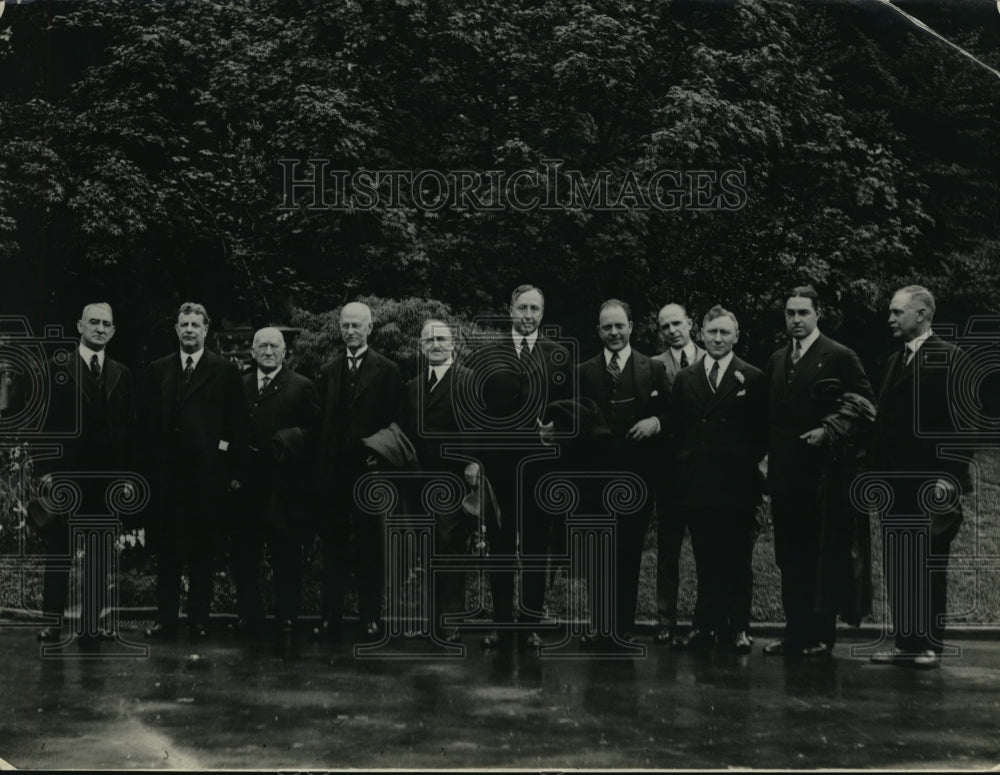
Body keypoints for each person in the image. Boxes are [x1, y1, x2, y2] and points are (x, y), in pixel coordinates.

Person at [763, 285, 875, 657]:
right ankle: (794, 632)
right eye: (790, 313)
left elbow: (864, 404)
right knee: (789, 557)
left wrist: (829, 429)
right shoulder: (778, 359)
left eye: (803, 313)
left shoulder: (840, 355)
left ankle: (821, 636)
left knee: (819, 556)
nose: (796, 320)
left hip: (824, 476)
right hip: (784, 476)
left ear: (817, 314)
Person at [868, 285, 973, 669]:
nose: (890, 318)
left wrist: (951, 477)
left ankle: (929, 646)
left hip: (931, 485)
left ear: (923, 314)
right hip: (895, 486)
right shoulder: (895, 360)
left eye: (897, 312)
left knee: (928, 565)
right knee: (900, 566)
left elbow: (963, 426)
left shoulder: (951, 358)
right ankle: (906, 643)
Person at [465, 284, 572, 650]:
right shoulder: (487, 355)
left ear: (543, 313)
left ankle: (529, 626)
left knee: (535, 550)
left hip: (540, 471)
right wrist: (475, 460)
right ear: (510, 309)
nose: (528, 315)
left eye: (535, 309)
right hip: (498, 470)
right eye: (522, 307)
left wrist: (558, 427)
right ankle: (501, 625)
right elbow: (475, 413)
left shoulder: (557, 355)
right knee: (499, 549)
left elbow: (570, 406)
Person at [144, 302, 249, 639]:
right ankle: (166, 619)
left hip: (207, 479)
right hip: (167, 480)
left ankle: (199, 619)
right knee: (168, 555)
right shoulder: (158, 369)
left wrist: (225, 465)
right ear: (176, 329)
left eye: (195, 325)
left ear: (206, 330)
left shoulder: (224, 371)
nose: (189, 330)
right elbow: (146, 427)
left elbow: (237, 426)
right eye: (184, 324)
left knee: (202, 553)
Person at [668, 306, 767, 654]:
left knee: (738, 560)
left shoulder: (752, 377)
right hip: (698, 485)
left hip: (738, 486)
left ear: (736, 336)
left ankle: (738, 627)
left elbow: (761, 433)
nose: (718, 339)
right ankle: (703, 626)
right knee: (705, 558)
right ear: (702, 334)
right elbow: (677, 431)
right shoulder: (686, 378)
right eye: (712, 332)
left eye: (725, 333)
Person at [37, 303, 136, 643]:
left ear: (113, 331)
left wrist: (125, 475)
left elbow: (128, 428)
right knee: (59, 550)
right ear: (79, 325)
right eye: (93, 322)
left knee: (98, 552)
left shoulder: (122, 373)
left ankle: (91, 623)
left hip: (105, 478)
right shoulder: (56, 368)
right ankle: (52, 621)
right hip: (66, 475)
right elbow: (42, 424)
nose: (99, 328)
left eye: (106, 323)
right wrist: (46, 473)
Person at [577, 299, 670, 645]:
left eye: (619, 325)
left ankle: (623, 626)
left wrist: (657, 422)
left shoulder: (652, 369)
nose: (613, 332)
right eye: (606, 327)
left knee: (629, 551)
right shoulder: (584, 372)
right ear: (598, 330)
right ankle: (599, 625)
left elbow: (674, 417)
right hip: (595, 481)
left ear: (631, 326)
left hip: (638, 480)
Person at [315, 302, 404, 642]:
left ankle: (370, 617)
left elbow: (396, 421)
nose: (350, 332)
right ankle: (329, 616)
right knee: (333, 547)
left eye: (356, 326)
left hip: (371, 474)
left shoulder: (387, 370)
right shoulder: (328, 370)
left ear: (370, 328)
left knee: (371, 548)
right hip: (335, 474)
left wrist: (378, 456)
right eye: (345, 326)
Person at [233, 327, 320, 636]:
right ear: (253, 352)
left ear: (285, 352)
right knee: (245, 554)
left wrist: (286, 440)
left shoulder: (301, 387)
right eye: (262, 346)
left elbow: (314, 434)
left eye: (274, 346)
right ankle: (249, 614)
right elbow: (225, 432)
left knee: (286, 555)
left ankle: (287, 616)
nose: (268, 351)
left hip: (285, 487)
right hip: (246, 487)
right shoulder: (239, 386)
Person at [399, 319, 475, 643]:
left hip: (454, 479)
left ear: (453, 344)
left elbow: (481, 427)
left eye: (442, 339)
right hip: (419, 480)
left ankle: (451, 621)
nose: (436, 345)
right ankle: (431, 622)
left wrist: (474, 462)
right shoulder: (413, 386)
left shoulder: (469, 380)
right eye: (429, 341)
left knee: (450, 550)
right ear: (420, 346)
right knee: (428, 550)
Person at [650, 302, 705, 646]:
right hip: (668, 472)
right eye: (664, 326)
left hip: (704, 471)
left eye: (677, 323)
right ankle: (665, 620)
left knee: (705, 550)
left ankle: (704, 620)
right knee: (668, 550)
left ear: (690, 323)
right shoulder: (652, 366)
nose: (672, 330)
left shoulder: (710, 357)